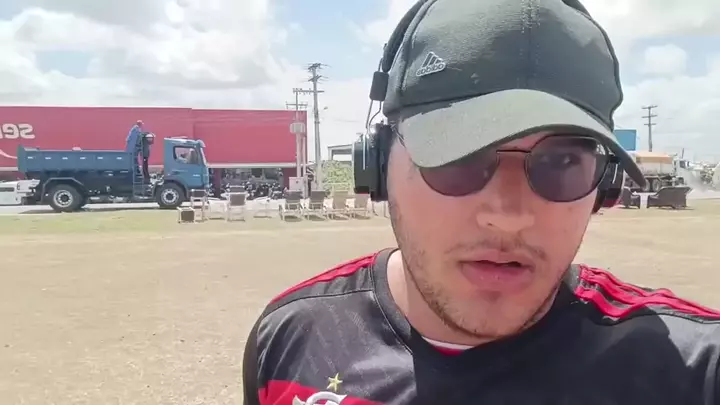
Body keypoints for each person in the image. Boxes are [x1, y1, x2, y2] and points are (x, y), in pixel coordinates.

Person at [242, 1, 720, 404]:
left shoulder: (694, 373)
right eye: (458, 157)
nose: (507, 217)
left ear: (605, 186)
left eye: (561, 163)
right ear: (379, 166)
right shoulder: (291, 342)